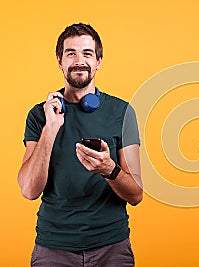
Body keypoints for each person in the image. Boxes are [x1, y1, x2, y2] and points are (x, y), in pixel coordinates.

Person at [17, 23, 142, 266]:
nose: (79, 60)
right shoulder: (39, 115)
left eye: (87, 53)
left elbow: (136, 194)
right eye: (70, 53)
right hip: (53, 248)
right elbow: (29, 191)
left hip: (112, 246)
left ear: (98, 61)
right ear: (59, 61)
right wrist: (50, 127)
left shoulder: (122, 112)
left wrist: (109, 169)